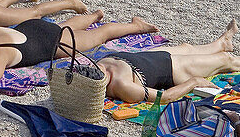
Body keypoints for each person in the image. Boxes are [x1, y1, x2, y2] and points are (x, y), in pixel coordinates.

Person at [0, 13, 158, 84]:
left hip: (49, 42)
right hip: (32, 27)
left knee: (99, 35)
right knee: (64, 27)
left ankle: (135, 25)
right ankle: (93, 15)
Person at [98, 20, 240, 104]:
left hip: (148, 57)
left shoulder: (92, 68)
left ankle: (222, 43)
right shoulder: (123, 86)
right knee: (226, 60)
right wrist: (194, 82)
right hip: (173, 70)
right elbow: (165, 97)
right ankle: (223, 48)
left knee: (187, 48)